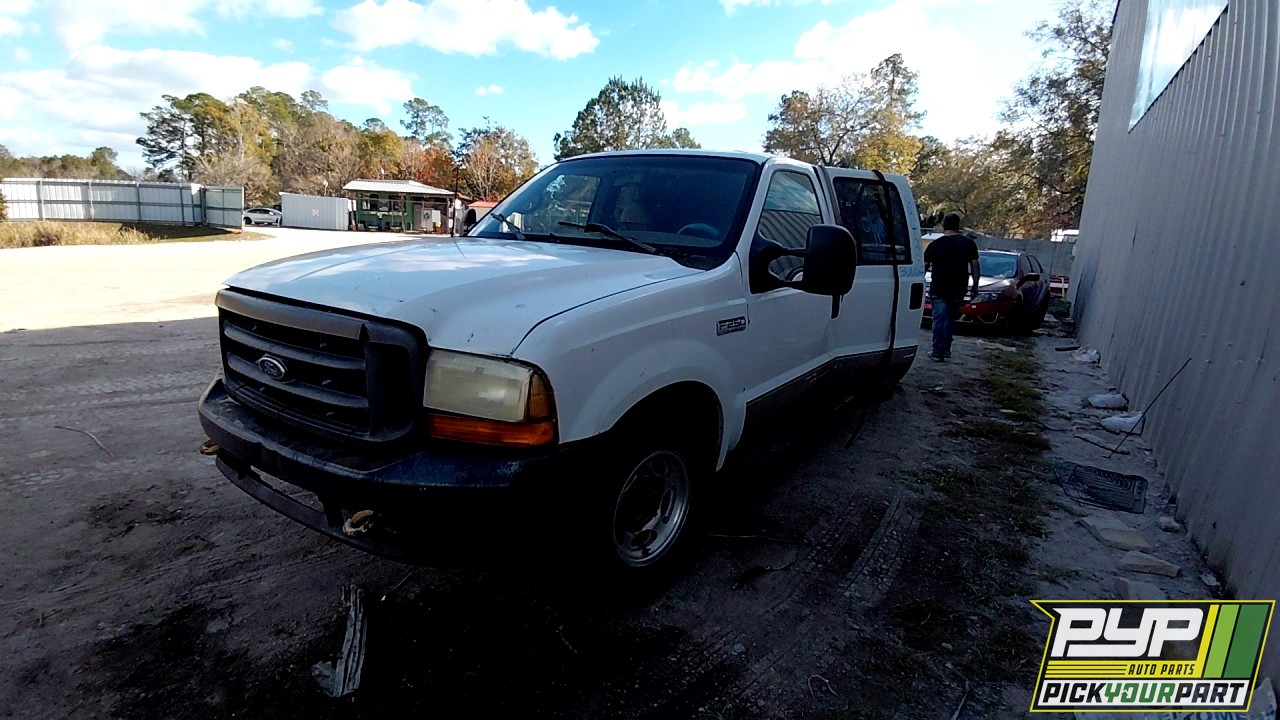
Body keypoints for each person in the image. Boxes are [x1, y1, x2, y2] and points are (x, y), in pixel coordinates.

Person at [923, 213, 980, 362]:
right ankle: (946, 349)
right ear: (958, 226)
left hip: (939, 287)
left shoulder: (935, 245)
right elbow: (975, 265)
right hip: (958, 288)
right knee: (950, 319)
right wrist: (975, 285)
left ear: (943, 225)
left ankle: (937, 351)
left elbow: (924, 266)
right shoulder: (968, 244)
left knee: (939, 320)